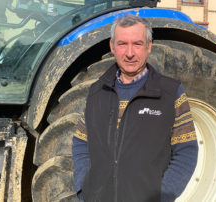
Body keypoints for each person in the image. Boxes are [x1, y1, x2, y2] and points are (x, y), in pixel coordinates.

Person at [72, 15, 198, 202]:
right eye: (122, 44)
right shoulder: (96, 92)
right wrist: (83, 189)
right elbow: (81, 142)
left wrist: (162, 196)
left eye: (137, 44)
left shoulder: (171, 93)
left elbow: (186, 151)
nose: (129, 53)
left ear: (149, 46)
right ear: (112, 47)